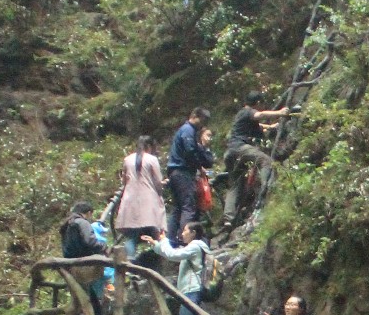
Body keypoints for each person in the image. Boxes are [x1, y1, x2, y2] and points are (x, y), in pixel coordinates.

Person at [222, 94, 288, 230]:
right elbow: (259, 115)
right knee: (266, 161)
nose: (262, 106)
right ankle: (267, 190)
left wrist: (272, 127)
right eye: (262, 103)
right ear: (257, 102)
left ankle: (228, 218)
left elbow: (260, 125)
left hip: (230, 152)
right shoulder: (247, 111)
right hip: (241, 148)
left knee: (235, 184)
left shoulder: (243, 117)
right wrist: (280, 112)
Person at [155, 222, 214, 315]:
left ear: (193, 232)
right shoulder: (197, 247)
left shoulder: (195, 247)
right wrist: (157, 244)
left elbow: (174, 255)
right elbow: (171, 254)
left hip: (191, 290)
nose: (182, 233)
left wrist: (163, 241)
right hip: (192, 290)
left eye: (185, 231)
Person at [111, 137, 166, 261]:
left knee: (132, 237)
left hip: (130, 202)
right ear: (150, 146)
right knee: (155, 234)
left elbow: (124, 181)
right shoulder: (152, 159)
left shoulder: (127, 159)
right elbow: (158, 182)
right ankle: (156, 262)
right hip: (149, 203)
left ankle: (129, 263)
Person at [59, 199, 109, 315]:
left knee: (83, 296)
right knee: (87, 295)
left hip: (71, 266)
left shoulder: (66, 225)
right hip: (84, 265)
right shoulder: (82, 223)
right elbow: (90, 241)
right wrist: (104, 248)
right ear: (88, 213)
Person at [167, 108, 213, 241]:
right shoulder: (188, 130)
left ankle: (171, 240)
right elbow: (190, 151)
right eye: (201, 120)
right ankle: (184, 240)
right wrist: (199, 165)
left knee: (177, 208)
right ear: (194, 116)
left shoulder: (187, 130)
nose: (202, 125)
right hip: (183, 172)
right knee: (188, 207)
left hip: (175, 172)